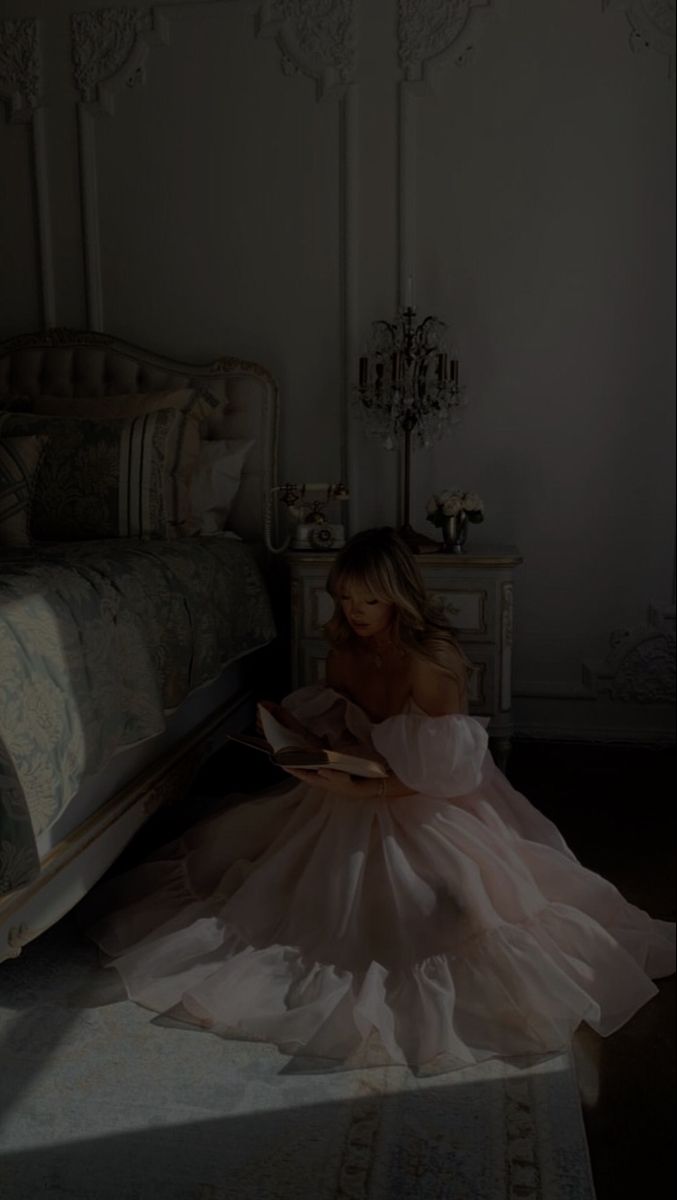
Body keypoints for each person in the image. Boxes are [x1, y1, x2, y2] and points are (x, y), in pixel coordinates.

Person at [81, 527, 675, 1074]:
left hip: (430, 796)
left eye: (368, 600)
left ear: (397, 595)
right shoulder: (345, 651)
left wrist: (367, 790)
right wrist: (298, 737)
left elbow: (447, 771)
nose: (354, 613)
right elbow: (341, 724)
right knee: (256, 879)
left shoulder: (431, 662)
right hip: (352, 785)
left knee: (458, 908)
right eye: (344, 599)